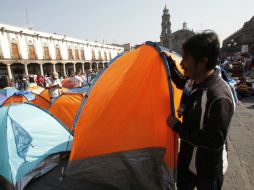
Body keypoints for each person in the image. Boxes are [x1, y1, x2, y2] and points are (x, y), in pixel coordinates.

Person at [162, 31, 235, 190]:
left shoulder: (219, 97)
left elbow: (214, 140)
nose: (182, 64)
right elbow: (182, 83)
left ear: (203, 62)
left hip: (207, 172)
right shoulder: (194, 80)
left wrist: (177, 126)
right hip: (187, 163)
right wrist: (168, 62)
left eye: (186, 59)